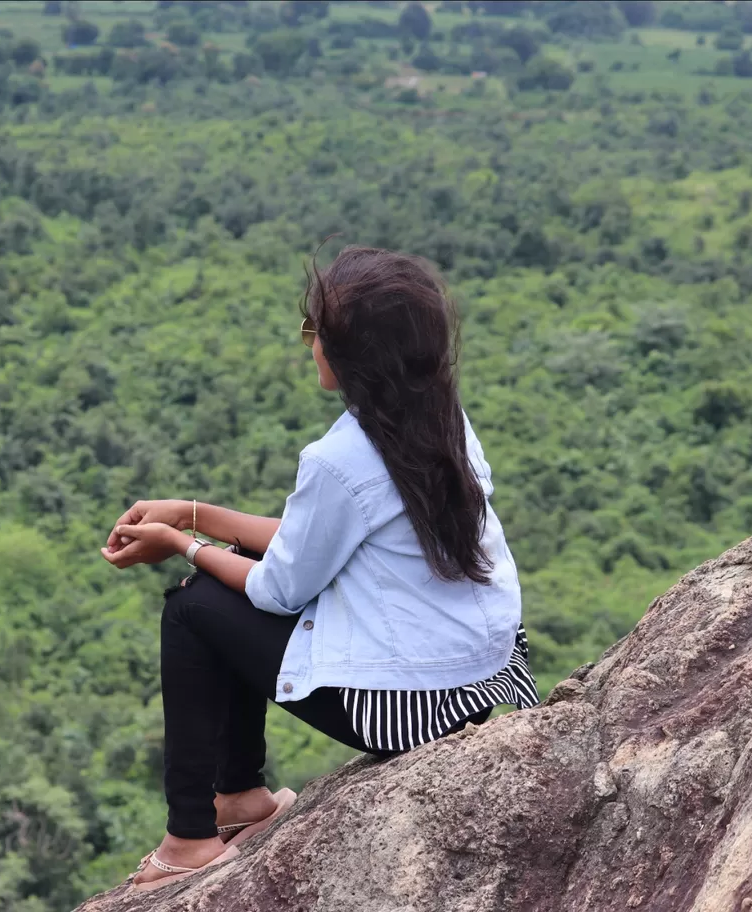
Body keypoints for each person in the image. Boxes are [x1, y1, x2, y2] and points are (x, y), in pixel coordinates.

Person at [101, 246, 538, 892]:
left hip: (412, 706)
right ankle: (241, 797)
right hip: (478, 681)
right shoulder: (436, 416)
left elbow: (279, 588)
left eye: (315, 332)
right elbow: (307, 547)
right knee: (234, 572)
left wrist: (181, 544)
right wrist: (194, 513)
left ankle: (190, 836)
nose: (310, 344)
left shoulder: (341, 457)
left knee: (193, 609)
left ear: (347, 355)